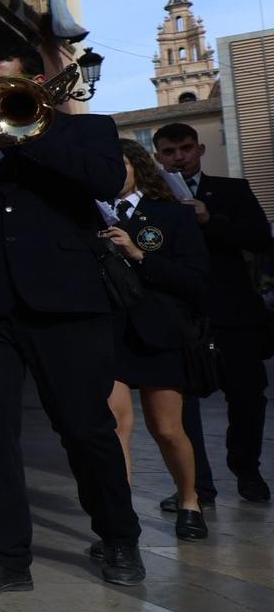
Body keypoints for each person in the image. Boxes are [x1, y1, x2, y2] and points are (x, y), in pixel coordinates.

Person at [0, 43, 142, 593]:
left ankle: (118, 537)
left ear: (36, 84)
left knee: (84, 427)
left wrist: (33, 133)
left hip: (66, 301)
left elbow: (107, 181)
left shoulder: (84, 131)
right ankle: (6, 557)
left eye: (4, 85)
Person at [151, 121, 273, 505]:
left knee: (248, 396)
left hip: (233, 312)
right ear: (158, 157)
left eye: (185, 148)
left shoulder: (231, 190)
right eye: (169, 152)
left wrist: (210, 220)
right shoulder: (154, 201)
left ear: (199, 149)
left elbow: (259, 239)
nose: (179, 157)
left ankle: (247, 469)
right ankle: (196, 484)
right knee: (182, 404)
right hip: (182, 315)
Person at [101, 139, 210, 540]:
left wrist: (140, 255)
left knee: (166, 429)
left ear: (137, 167)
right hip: (110, 336)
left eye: (117, 164)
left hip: (160, 335)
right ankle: (121, 522)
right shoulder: (88, 217)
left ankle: (189, 500)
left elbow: (196, 281)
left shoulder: (171, 216)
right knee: (114, 427)